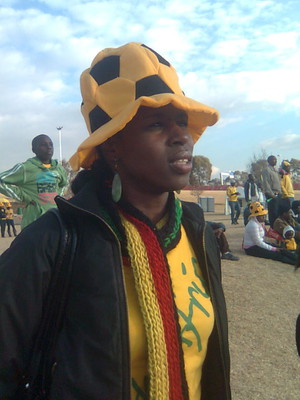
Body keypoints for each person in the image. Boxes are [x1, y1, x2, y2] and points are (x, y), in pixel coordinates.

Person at [0, 43, 231, 400]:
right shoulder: (51, 242)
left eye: (182, 121)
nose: (181, 136)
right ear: (112, 147)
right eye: (156, 123)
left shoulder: (195, 229)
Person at [0, 134, 68, 229]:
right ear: (34, 150)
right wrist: (24, 197)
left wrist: (58, 197)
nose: (49, 147)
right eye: (43, 145)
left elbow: (64, 184)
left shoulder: (59, 169)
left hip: (55, 221)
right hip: (34, 225)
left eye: (51, 144)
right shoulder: (25, 168)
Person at [261, 155, 282, 228]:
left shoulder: (275, 170)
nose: (275, 161)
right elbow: (266, 184)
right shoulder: (267, 170)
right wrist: (272, 195)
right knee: (273, 214)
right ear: (269, 161)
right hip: (272, 195)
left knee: (278, 214)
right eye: (273, 160)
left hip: (278, 194)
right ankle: (273, 229)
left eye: (276, 159)